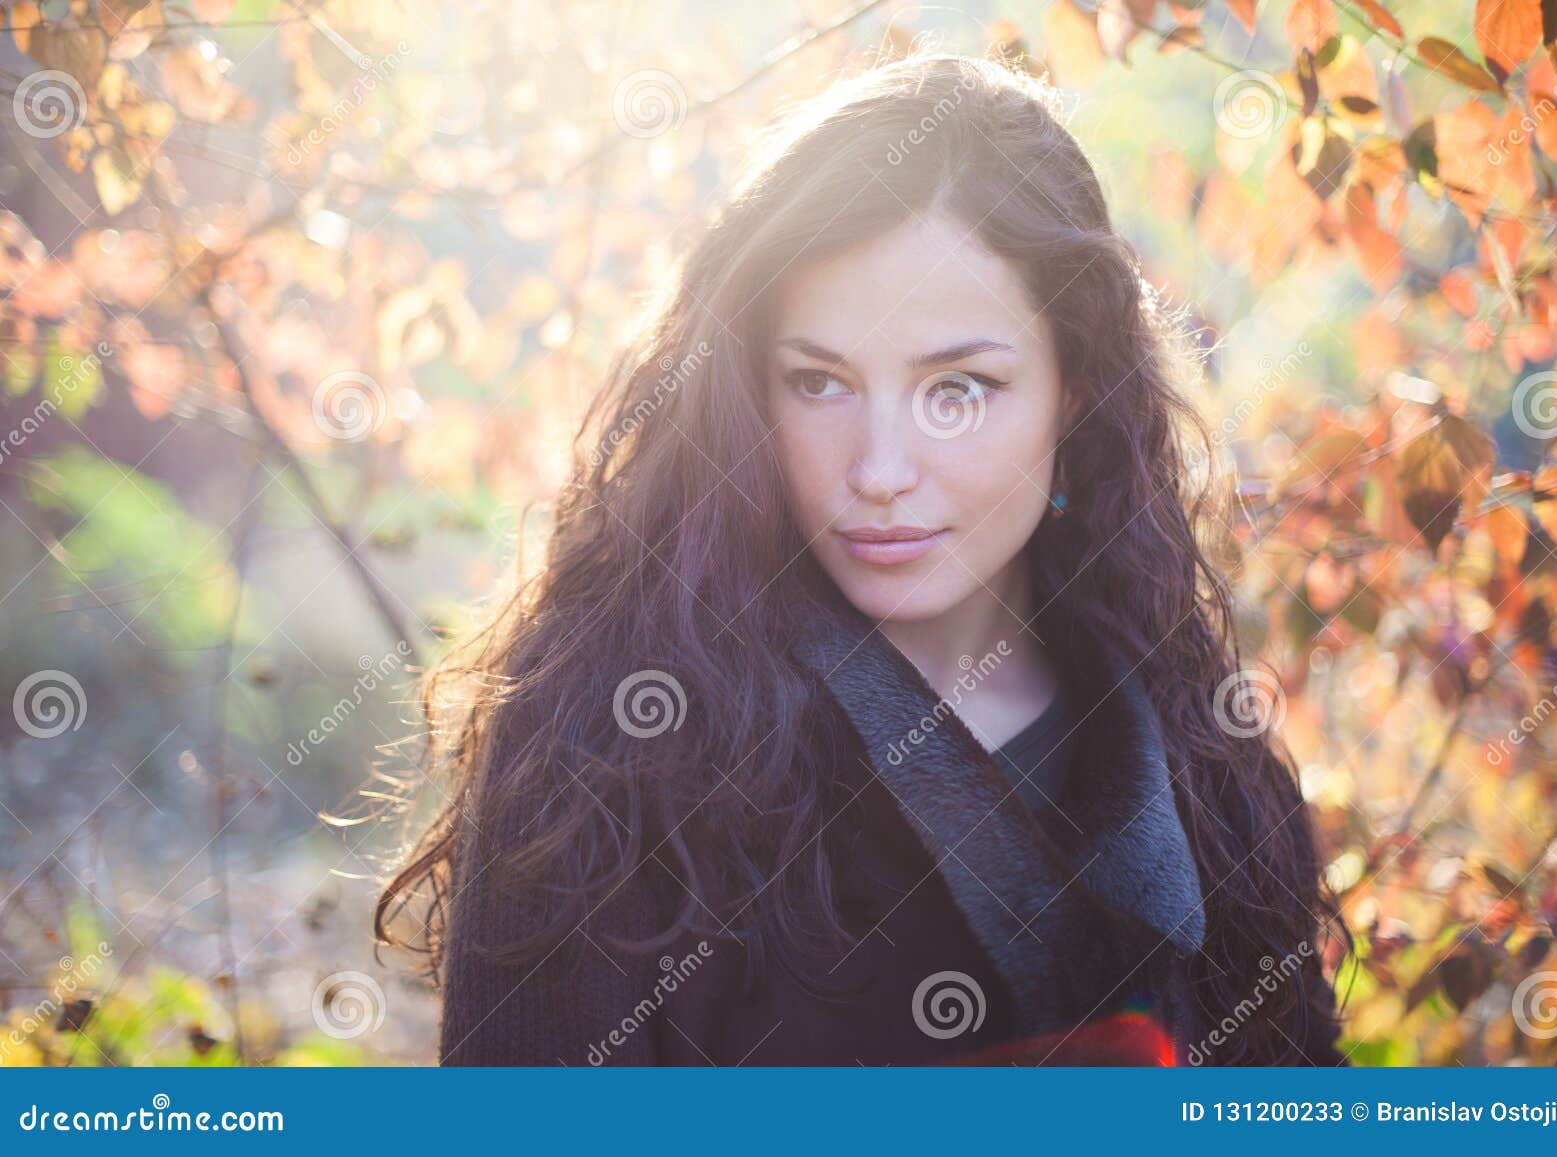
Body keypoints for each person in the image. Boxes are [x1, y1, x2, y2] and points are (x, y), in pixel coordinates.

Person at [375, 50, 1345, 1066]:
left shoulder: (1204, 749)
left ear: (1075, 386)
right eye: (820, 382)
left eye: (956, 387)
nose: (879, 469)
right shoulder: (607, 741)